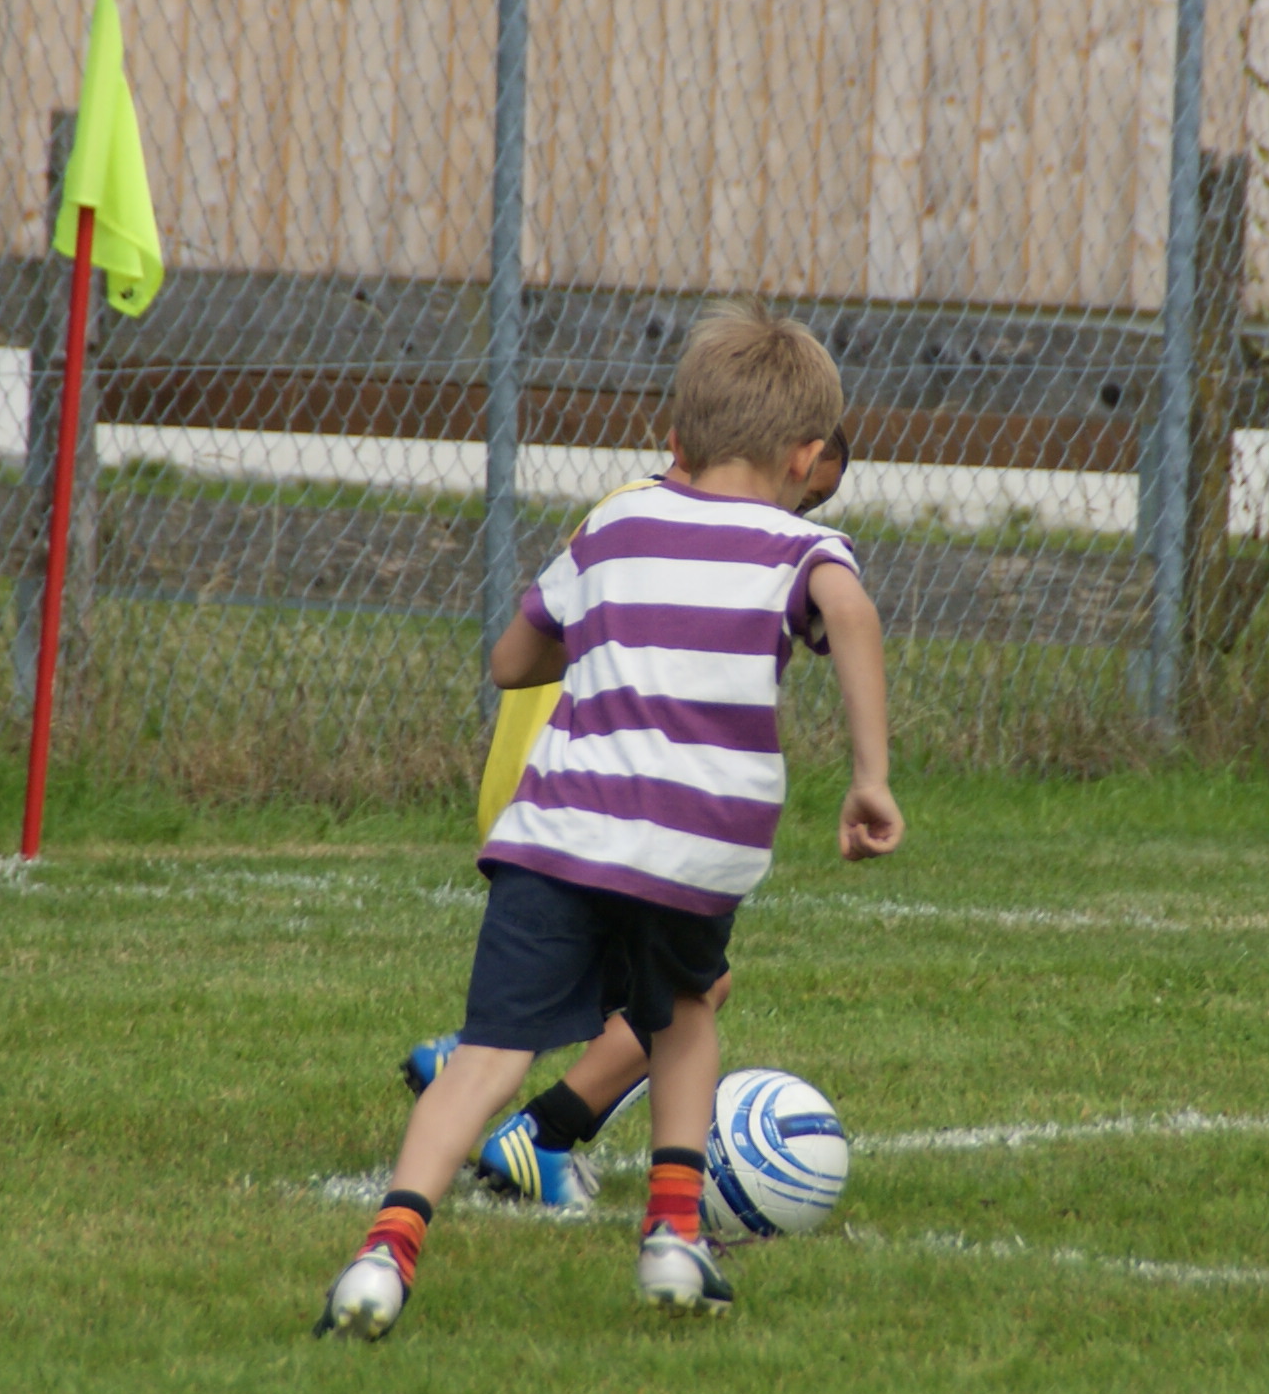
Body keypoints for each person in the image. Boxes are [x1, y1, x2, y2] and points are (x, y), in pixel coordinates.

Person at [316, 304, 901, 1338]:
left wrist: (598, 634)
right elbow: (848, 612)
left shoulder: (614, 525)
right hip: (694, 847)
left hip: (561, 834)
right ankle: (672, 1236)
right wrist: (870, 777)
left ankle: (384, 1252)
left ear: (676, 436)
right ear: (808, 457)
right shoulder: (801, 544)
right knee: (682, 1012)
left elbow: (512, 661)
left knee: (488, 1054)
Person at [400, 430, 856, 1210]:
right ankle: (543, 1136)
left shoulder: (627, 513)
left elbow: (524, 653)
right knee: (689, 992)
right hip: (594, 797)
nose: (795, 510)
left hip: (543, 795)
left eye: (810, 506)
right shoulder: (681, 524)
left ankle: (471, 1063)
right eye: (802, 491)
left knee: (588, 979)